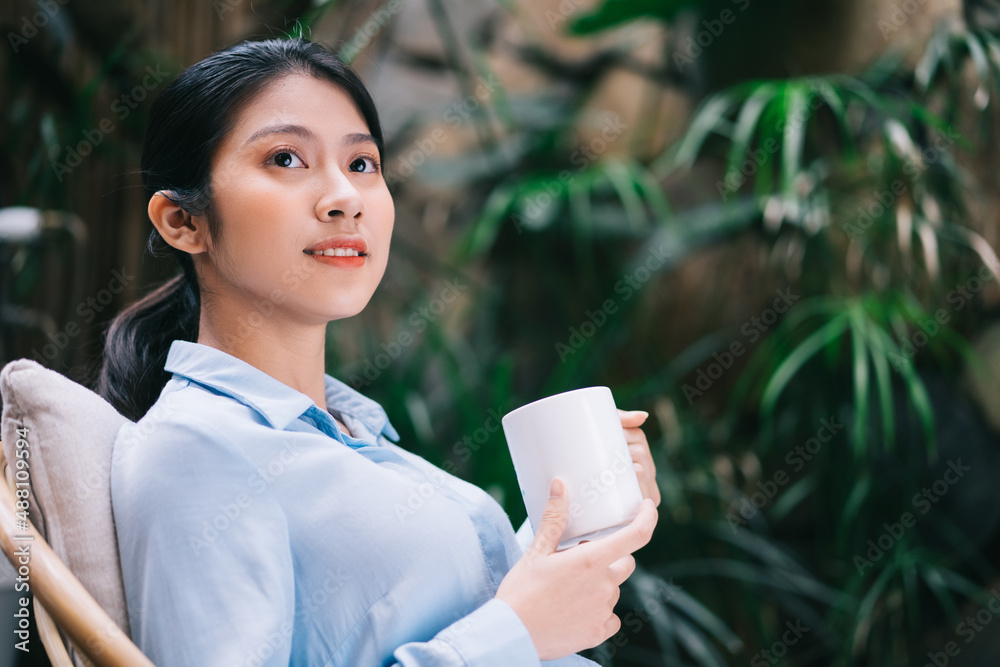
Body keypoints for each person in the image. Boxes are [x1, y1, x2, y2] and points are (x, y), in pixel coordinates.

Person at [98, 37, 661, 666]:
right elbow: (499, 636)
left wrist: (574, 534)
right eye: (286, 158)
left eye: (362, 164)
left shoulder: (354, 437)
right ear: (183, 221)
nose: (344, 196)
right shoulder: (195, 450)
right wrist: (517, 633)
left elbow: (459, 619)